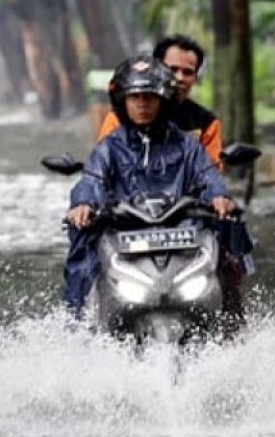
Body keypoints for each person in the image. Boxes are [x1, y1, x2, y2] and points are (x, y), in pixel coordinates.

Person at [63, 54, 237, 316]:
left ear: (163, 99)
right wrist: (84, 203)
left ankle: (232, 324)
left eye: (150, 97)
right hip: (124, 235)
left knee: (230, 244)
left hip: (181, 235)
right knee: (83, 247)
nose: (142, 104)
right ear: (123, 101)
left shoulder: (187, 146)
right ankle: (75, 321)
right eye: (135, 97)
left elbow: (208, 175)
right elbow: (92, 179)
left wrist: (219, 196)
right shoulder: (109, 147)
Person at [93, 34, 223, 168]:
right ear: (156, 69)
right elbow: (103, 163)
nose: (179, 78)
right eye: (173, 69)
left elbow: (212, 170)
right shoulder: (121, 116)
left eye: (188, 72)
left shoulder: (206, 123)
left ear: (195, 78)